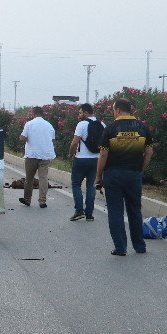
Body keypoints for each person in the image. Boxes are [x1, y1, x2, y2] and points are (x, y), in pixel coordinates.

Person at [94, 98, 154, 256]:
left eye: (114, 110)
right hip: (133, 174)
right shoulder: (142, 127)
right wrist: (140, 169)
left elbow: (103, 154)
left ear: (118, 110)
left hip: (113, 174)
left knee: (115, 211)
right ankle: (140, 246)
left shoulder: (111, 128)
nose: (113, 113)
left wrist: (98, 176)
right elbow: (149, 152)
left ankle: (120, 247)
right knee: (135, 210)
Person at [67, 103, 103, 221]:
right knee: (91, 187)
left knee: (76, 184)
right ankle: (89, 214)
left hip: (81, 160)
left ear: (86, 113)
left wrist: (71, 154)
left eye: (80, 112)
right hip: (96, 160)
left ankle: (79, 211)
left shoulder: (82, 124)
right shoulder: (102, 124)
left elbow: (74, 142)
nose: (79, 115)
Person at [18, 107, 56, 208]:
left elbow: (23, 138)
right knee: (43, 178)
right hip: (45, 155)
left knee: (29, 178)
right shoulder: (49, 125)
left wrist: (24, 137)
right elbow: (52, 139)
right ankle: (42, 201)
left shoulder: (29, 124)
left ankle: (27, 199)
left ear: (33, 113)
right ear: (42, 114)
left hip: (32, 155)